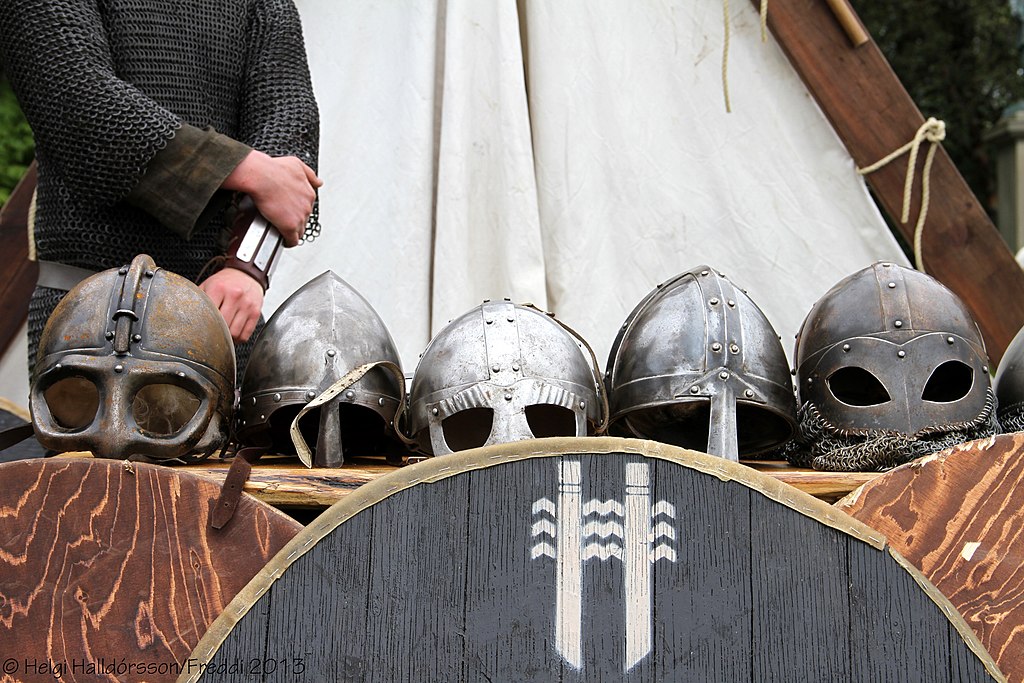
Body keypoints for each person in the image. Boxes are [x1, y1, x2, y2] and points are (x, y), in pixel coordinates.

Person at [0, 0, 322, 376]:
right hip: (88, 317)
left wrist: (247, 266)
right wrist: (244, 168)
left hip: (217, 316)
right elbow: (77, 105)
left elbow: (289, 135)